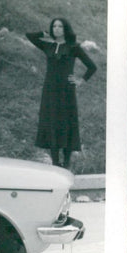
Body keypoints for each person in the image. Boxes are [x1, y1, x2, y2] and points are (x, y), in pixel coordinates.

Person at [27, 18, 97, 169]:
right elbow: (29, 36)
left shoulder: (73, 47)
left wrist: (80, 80)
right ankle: (54, 162)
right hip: (50, 90)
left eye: (60, 26)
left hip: (66, 91)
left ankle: (66, 162)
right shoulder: (47, 45)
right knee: (52, 121)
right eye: (54, 26)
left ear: (66, 29)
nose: (57, 29)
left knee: (66, 122)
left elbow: (92, 67)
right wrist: (44, 32)